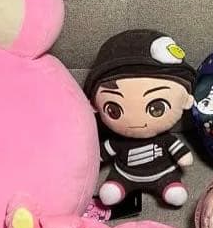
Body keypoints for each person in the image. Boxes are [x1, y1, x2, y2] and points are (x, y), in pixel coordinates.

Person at [83, 30, 196, 207]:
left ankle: (170, 187)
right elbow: (98, 156)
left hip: (164, 173)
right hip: (124, 174)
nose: (136, 121)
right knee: (110, 193)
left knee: (175, 193)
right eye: (114, 110)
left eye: (156, 108)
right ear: (94, 105)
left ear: (186, 101)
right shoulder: (117, 142)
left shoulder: (165, 140)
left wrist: (182, 156)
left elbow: (182, 154)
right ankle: (117, 187)